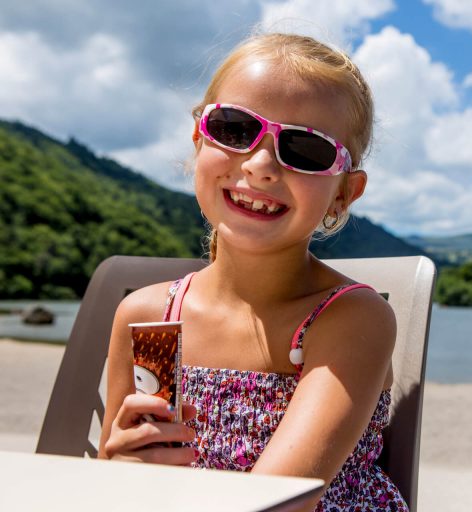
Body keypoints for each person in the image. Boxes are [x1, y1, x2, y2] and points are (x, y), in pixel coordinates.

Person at [98, 32, 408, 511]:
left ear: (344, 193)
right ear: (200, 139)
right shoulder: (151, 317)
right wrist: (122, 473)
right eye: (235, 129)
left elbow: (278, 503)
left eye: (306, 150)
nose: (261, 165)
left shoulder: (349, 321)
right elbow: (118, 486)